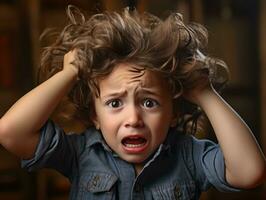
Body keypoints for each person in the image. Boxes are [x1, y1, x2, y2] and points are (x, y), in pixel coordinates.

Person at [0, 5, 265, 200]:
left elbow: (249, 172)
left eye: (149, 103)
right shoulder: (80, 154)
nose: (134, 119)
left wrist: (203, 91)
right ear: (95, 115)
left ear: (172, 112)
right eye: (115, 103)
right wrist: (69, 74)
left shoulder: (190, 156)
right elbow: (10, 131)